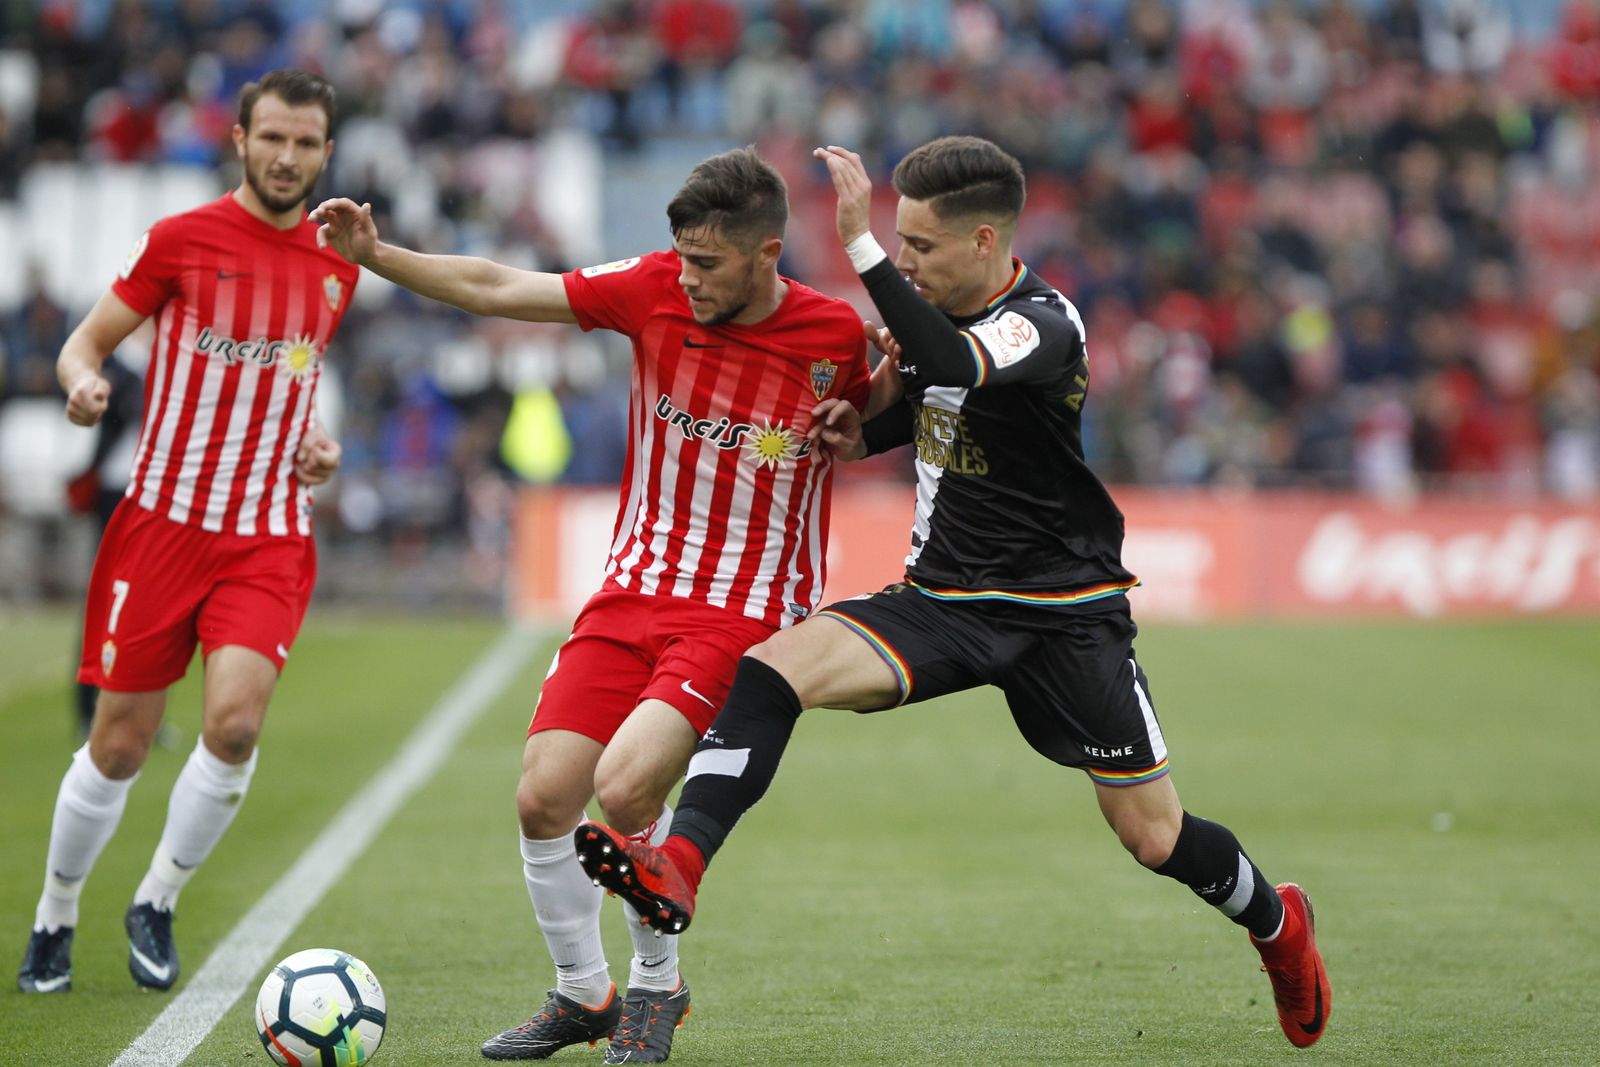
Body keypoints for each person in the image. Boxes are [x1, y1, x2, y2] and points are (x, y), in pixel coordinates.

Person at [576, 136, 1333, 1050]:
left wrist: (855, 250)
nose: (903, 261)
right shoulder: (931, 320)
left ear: (985, 241)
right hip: (942, 601)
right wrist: (861, 426)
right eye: (896, 244)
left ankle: (1278, 925)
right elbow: (919, 402)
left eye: (921, 248)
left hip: (1065, 615)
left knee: (1154, 835)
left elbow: (962, 365)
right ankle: (680, 865)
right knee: (770, 667)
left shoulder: (1045, 322)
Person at [311, 145, 873, 1063]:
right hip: (630, 592)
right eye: (682, 257)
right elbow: (497, 286)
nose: (687, 278)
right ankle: (584, 993)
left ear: (767, 253)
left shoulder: (832, 337)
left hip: (743, 607)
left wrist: (865, 412)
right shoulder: (650, 287)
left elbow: (881, 412)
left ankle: (659, 985)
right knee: (542, 798)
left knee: (625, 785)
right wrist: (380, 256)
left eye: (708, 263)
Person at [17, 69, 356, 996]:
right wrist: (83, 386)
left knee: (236, 726)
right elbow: (84, 344)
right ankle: (54, 913)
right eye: (273, 137)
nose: (288, 157)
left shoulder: (338, 264)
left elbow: (293, 382)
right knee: (120, 743)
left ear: (327, 153)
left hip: (268, 531)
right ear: (240, 139)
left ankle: (157, 899)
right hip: (162, 522)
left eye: (306, 143)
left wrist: (316, 444)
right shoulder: (181, 241)